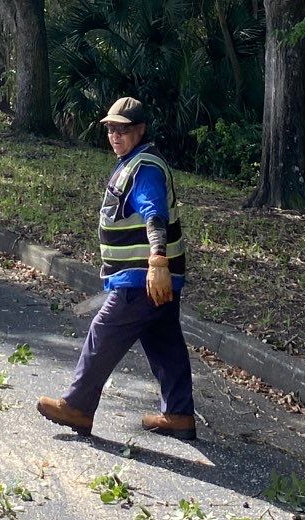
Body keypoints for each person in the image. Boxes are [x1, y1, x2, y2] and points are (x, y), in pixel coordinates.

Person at [36, 96, 196, 440]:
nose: (115, 136)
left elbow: (155, 215)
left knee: (103, 332)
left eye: (122, 130)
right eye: (111, 129)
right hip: (153, 279)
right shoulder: (132, 162)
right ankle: (179, 413)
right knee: (164, 341)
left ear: (140, 130)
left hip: (143, 278)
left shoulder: (145, 168)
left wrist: (157, 261)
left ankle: (77, 406)